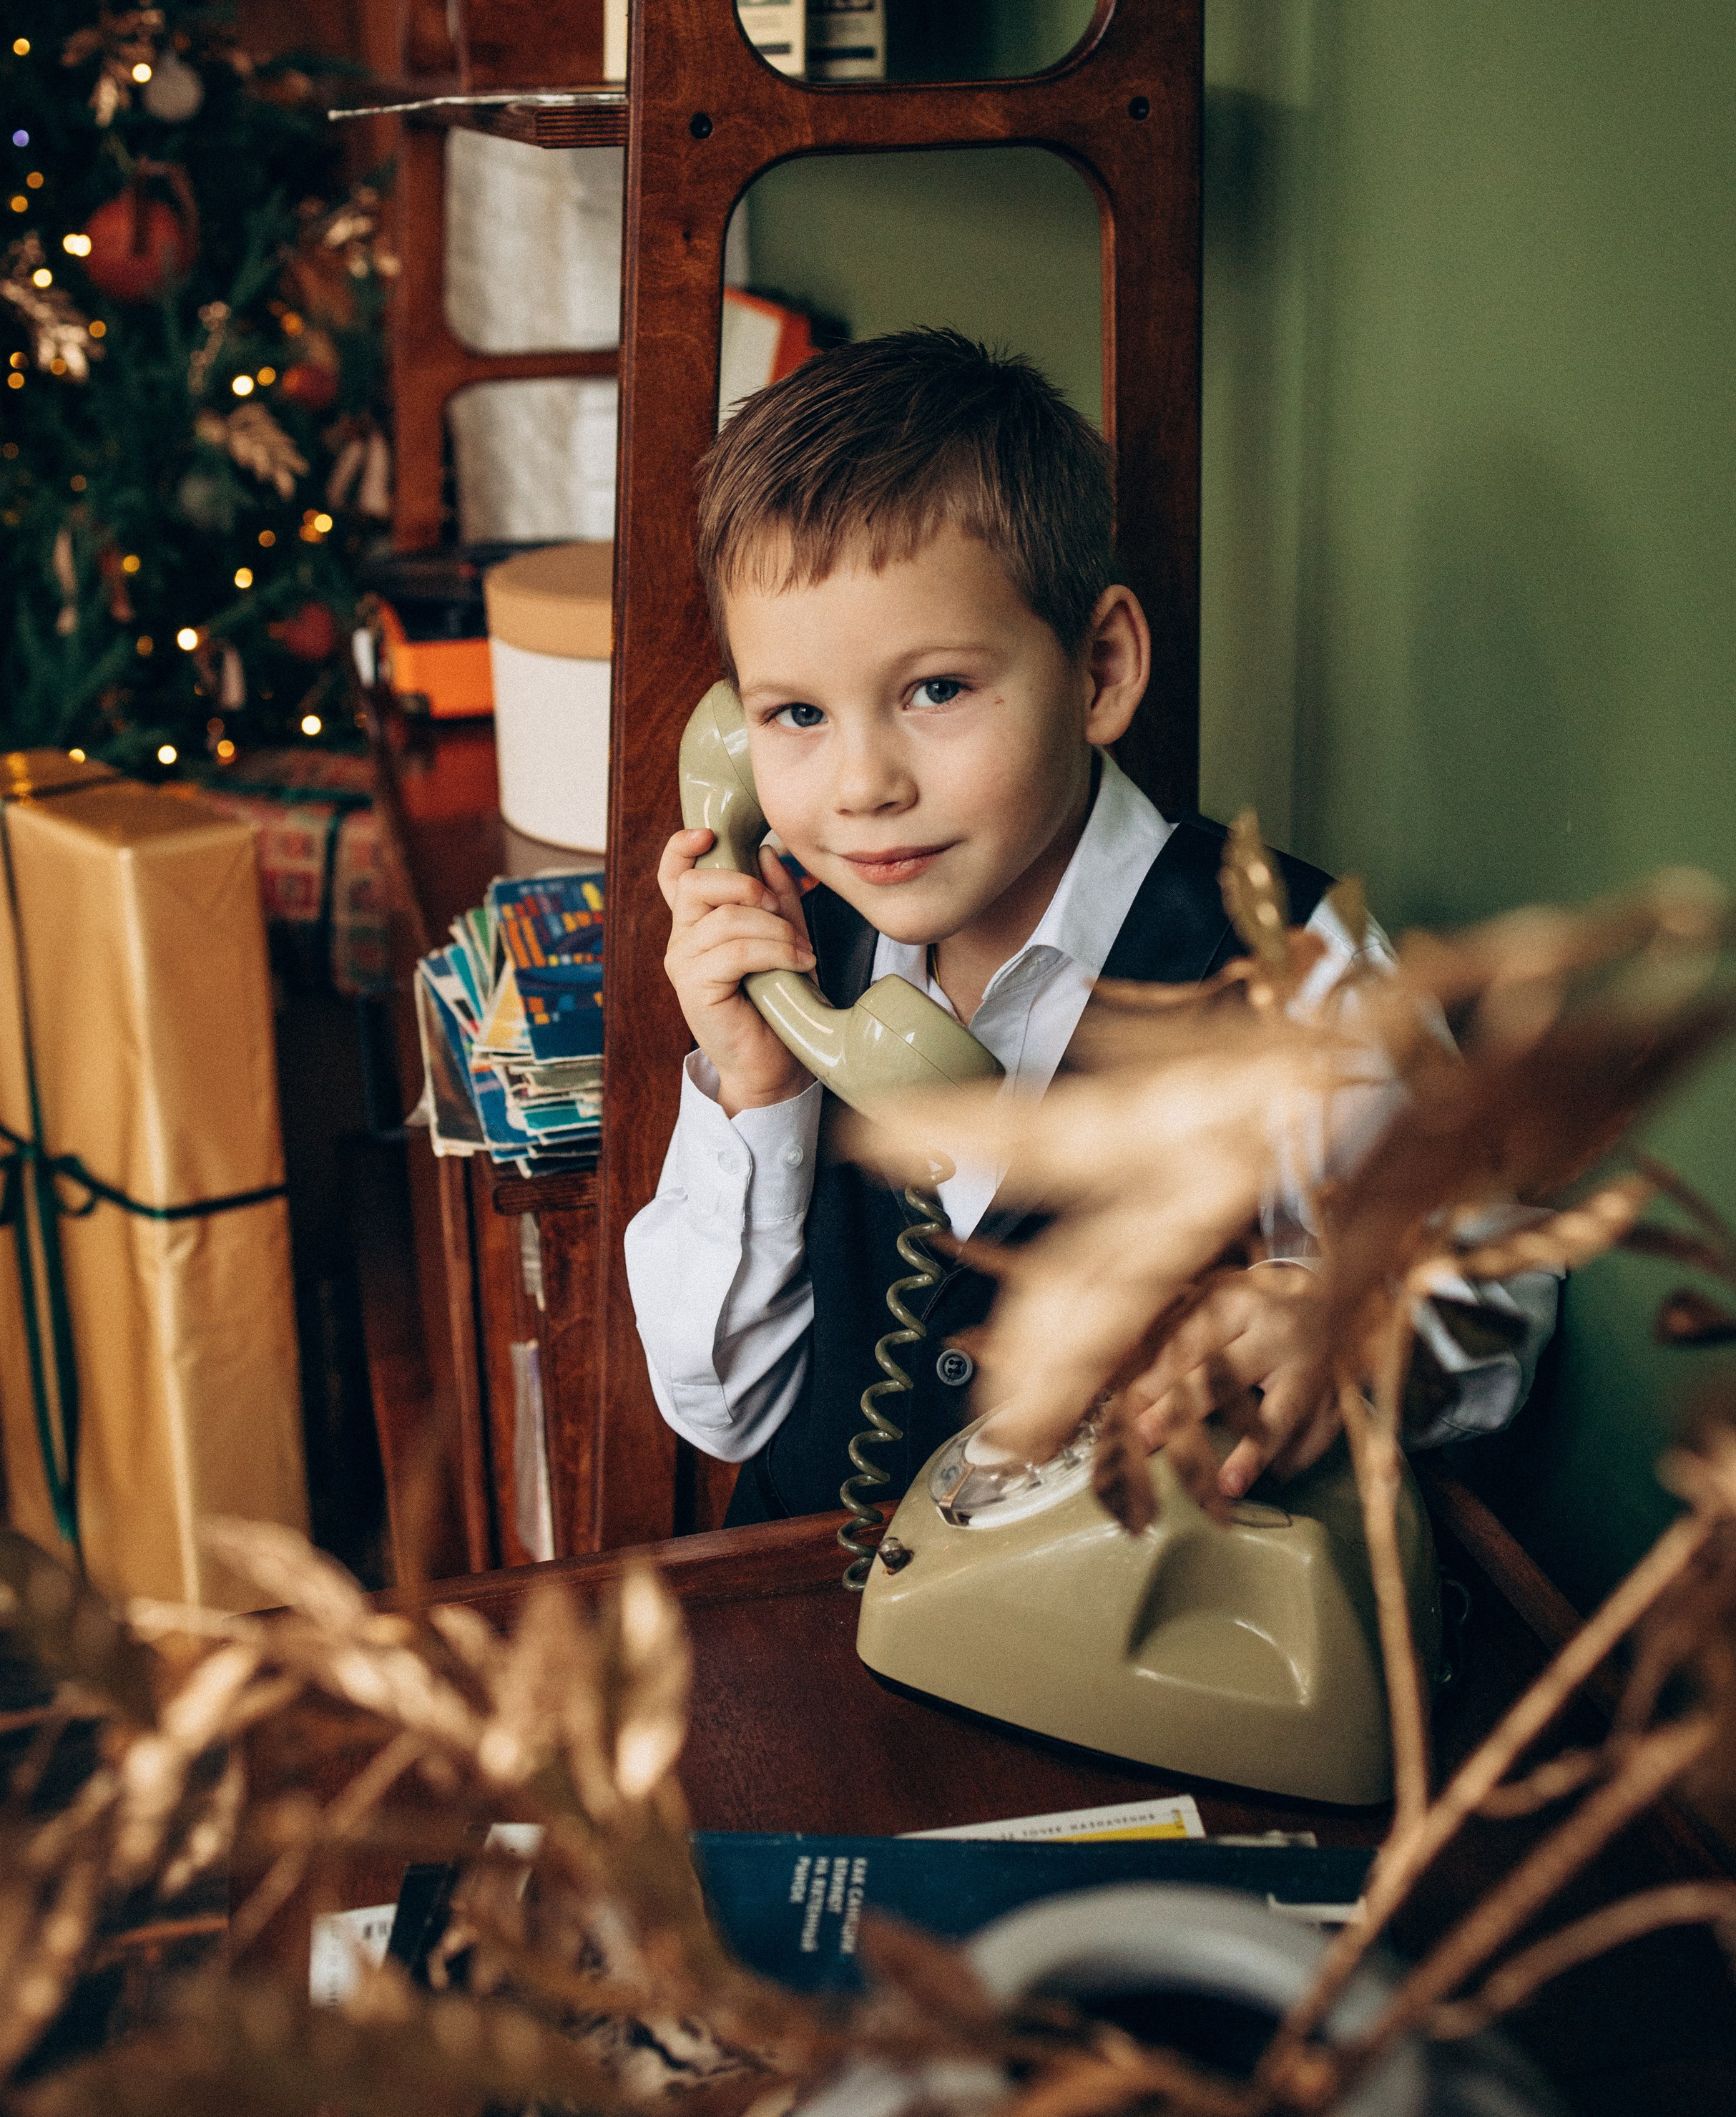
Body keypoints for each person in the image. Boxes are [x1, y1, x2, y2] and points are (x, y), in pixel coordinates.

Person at [625, 328, 1554, 1525]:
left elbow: (1495, 1295)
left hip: (1120, 1657)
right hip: (826, 1616)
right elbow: (722, 1412)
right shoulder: (810, 954)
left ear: (1102, 667)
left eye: (937, 691)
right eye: (796, 713)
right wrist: (757, 1095)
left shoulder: (1294, 968)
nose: (861, 787)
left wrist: (1336, 1317)